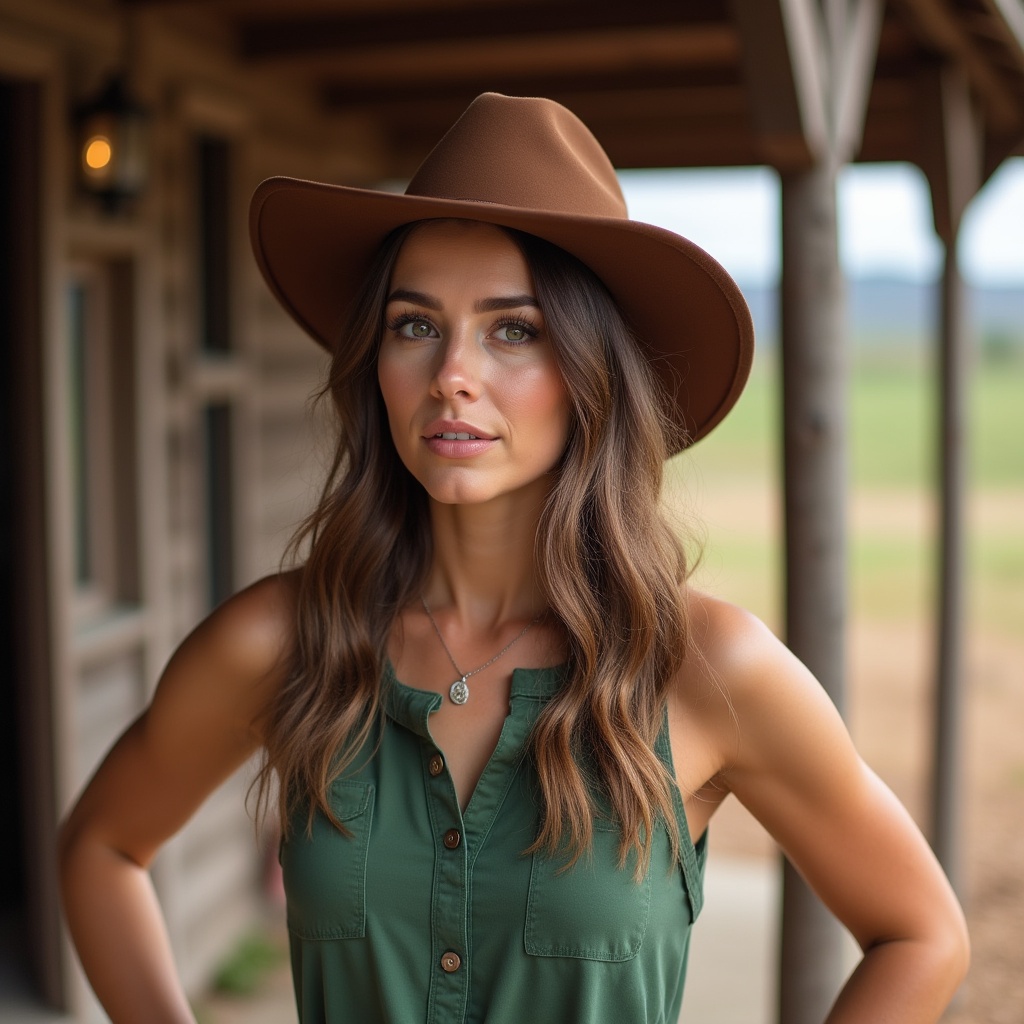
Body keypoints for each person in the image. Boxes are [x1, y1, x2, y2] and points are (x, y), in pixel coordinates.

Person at [59, 92, 968, 1023]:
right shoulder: (280, 641)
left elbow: (922, 932)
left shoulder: (706, 669)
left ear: (590, 374)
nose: (453, 371)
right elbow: (101, 847)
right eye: (415, 324)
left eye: (514, 330)